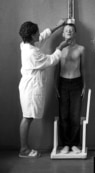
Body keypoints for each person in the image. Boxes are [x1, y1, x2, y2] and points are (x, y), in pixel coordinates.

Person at [18, 20, 71, 158]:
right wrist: (60, 46)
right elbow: (51, 60)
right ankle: (24, 149)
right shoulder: (32, 53)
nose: (39, 34)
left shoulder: (25, 44)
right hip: (30, 88)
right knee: (27, 118)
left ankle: (24, 148)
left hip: (28, 85)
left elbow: (43, 36)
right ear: (31, 36)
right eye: (36, 32)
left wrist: (58, 25)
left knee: (27, 117)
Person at [54, 23, 85, 154]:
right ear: (63, 33)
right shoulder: (59, 49)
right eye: (66, 30)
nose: (69, 32)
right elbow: (56, 69)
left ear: (75, 33)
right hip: (63, 83)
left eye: (71, 30)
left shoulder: (81, 49)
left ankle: (74, 144)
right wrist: (55, 85)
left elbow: (84, 69)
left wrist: (85, 85)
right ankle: (66, 144)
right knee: (64, 115)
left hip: (77, 83)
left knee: (75, 115)